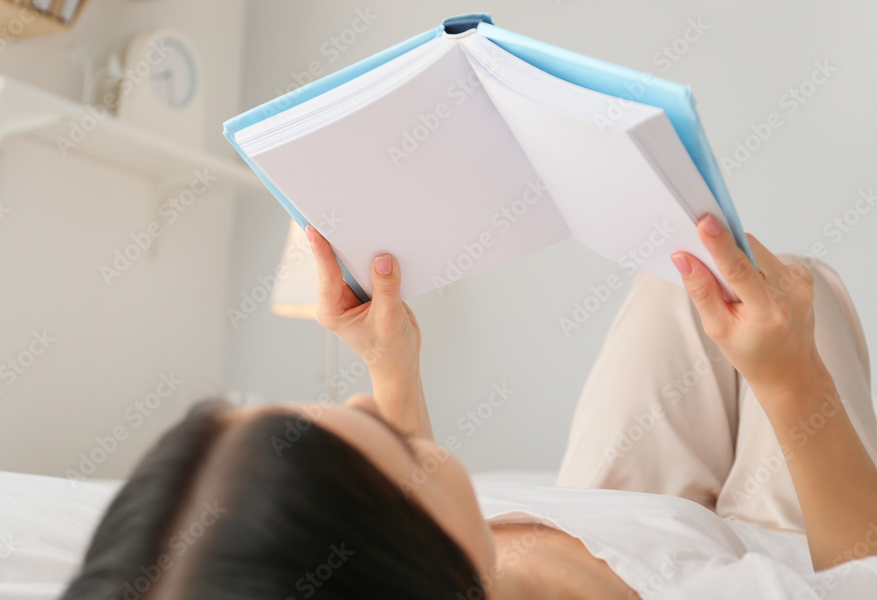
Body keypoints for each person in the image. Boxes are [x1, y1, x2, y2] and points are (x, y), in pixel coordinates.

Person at [61, 215, 877, 599]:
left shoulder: (428, 567)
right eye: (404, 454)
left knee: (690, 273)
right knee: (794, 293)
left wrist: (394, 368)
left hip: (616, 516)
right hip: (769, 554)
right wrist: (793, 381)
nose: (366, 404)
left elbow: (400, 539)